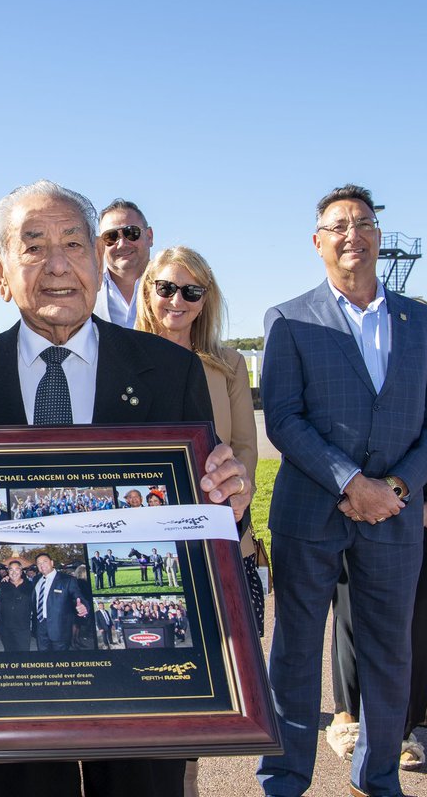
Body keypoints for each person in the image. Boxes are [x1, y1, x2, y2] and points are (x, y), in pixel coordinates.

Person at [0, 179, 251, 797]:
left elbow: (197, 511)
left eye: (74, 243)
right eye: (35, 245)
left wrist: (221, 496)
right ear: (0, 270)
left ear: (99, 264)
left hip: (140, 681)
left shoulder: (170, 371)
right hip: (10, 681)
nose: (58, 265)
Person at [257, 184, 427, 797]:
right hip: (311, 511)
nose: (353, 234)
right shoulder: (289, 319)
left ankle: (376, 774)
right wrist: (351, 481)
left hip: (392, 517)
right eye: (338, 225)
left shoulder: (421, 321)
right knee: (294, 655)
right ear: (318, 242)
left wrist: (394, 487)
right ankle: (284, 778)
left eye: (364, 223)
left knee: (388, 653)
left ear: (377, 235)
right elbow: (284, 418)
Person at [135, 245, 263, 633]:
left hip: (219, 536)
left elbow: (245, 448)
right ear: (147, 292)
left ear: (206, 300)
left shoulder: (230, 365)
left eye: (192, 292)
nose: (178, 300)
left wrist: (240, 493)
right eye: (167, 288)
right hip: (149, 533)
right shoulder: (117, 363)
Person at [327, 444, 427, 770]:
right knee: (351, 616)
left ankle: (400, 731)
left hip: (422, 519)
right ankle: (348, 717)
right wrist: (371, 499)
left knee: (416, 628)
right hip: (360, 510)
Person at [93, 199, 153, 328]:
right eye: (111, 237)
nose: (122, 244)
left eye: (131, 233)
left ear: (149, 237)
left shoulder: (175, 290)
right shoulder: (86, 293)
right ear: (100, 245)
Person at [0, 560, 35, 652]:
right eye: (11, 570)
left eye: (17, 569)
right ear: (8, 572)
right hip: (5, 628)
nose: (14, 572)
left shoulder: (30, 586)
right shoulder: (2, 585)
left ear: (21, 571)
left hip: (23, 628)